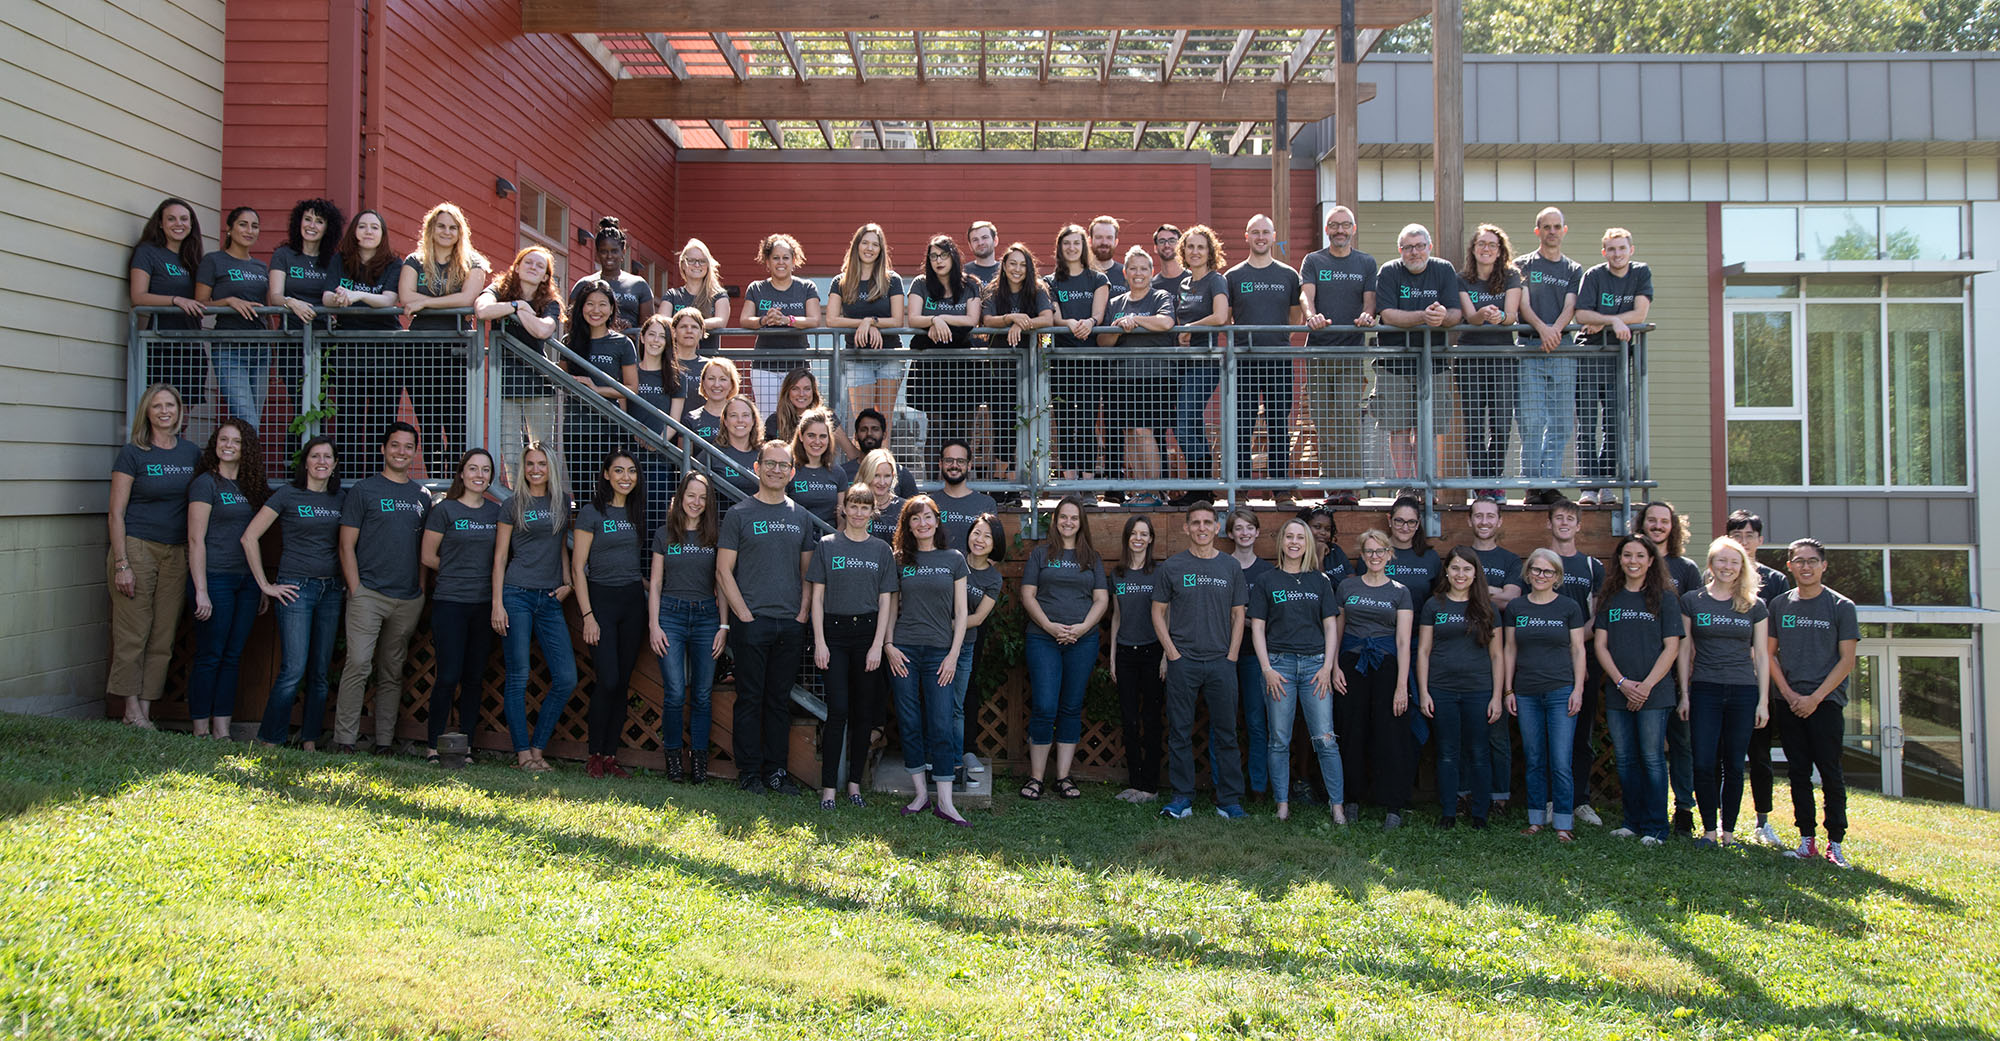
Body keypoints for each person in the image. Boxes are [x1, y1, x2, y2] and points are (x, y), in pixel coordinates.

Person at [716, 440, 817, 795]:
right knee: (750, 698)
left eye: (783, 465)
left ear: (792, 472)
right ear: (757, 468)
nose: (776, 470)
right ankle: (749, 773)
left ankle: (776, 771)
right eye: (769, 464)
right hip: (752, 622)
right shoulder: (738, 514)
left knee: (778, 700)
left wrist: (803, 612)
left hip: (790, 623)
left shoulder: (801, 517)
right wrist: (743, 614)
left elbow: (808, 573)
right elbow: (723, 570)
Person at [333, 422, 430, 753]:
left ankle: (384, 742)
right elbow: (346, 545)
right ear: (383, 449)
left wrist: (419, 589)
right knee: (358, 663)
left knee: (392, 671)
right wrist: (356, 589)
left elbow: (423, 551)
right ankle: (344, 740)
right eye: (395, 445)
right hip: (369, 594)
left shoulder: (422, 496)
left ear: (414, 453)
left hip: (407, 598)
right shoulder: (363, 491)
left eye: (407, 447)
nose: (401, 452)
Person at [108, 384, 200, 728]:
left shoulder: (190, 453)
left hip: (176, 552)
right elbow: (116, 512)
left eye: (171, 405)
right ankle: (129, 708)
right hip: (137, 546)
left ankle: (145, 710)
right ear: (147, 412)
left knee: (163, 634)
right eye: (157, 406)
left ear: (179, 410)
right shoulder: (133, 453)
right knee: (134, 631)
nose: (165, 411)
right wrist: (122, 563)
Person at [244, 435, 345, 749]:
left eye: (327, 457)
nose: (321, 462)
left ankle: (310, 740)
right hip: (295, 590)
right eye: (315, 456)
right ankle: (269, 739)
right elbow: (249, 537)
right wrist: (265, 584)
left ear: (335, 464)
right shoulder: (288, 495)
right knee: (293, 668)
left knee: (319, 671)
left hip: (331, 590)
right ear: (306, 462)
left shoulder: (340, 499)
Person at [1153, 500, 1250, 820]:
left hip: (1221, 661)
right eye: (1195, 523)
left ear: (1217, 527)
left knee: (1226, 731)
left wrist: (1232, 655)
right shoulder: (1172, 567)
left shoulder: (1230, 567)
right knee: (1179, 731)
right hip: (1184, 661)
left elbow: (1239, 616)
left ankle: (1229, 800)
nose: (1202, 528)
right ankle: (1182, 798)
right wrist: (1172, 654)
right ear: (1186, 528)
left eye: (1208, 522)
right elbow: (1158, 612)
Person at [1768, 537, 1861, 869]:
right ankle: (1806, 840)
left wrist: (1815, 698)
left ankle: (1835, 842)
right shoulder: (1779, 605)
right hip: (1789, 703)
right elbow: (1768, 655)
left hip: (1826, 703)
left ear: (1823, 566)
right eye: (1798, 561)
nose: (1805, 566)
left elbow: (1847, 660)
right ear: (1789, 566)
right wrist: (1791, 695)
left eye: (1812, 561)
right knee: (1797, 772)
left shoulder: (1840, 607)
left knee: (1831, 773)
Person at [807, 481, 898, 809]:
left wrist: (878, 645)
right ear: (843, 509)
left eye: (864, 507)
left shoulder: (881, 550)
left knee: (863, 714)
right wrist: (819, 641)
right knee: (839, 711)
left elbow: (886, 600)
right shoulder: (828, 545)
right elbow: (817, 598)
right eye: (853, 506)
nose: (858, 513)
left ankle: (855, 784)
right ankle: (829, 787)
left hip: (867, 637)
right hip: (834, 635)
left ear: (872, 511)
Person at [1676, 536, 1771, 847]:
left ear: (1742, 566)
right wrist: (1685, 694)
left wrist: (1763, 701)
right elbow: (1685, 648)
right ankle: (1708, 831)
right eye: (1722, 560)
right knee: (1703, 761)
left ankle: (1728, 832)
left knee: (1733, 763)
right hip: (1705, 689)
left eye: (1734, 561)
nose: (1728, 567)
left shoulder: (1754, 604)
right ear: (1711, 564)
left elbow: (1761, 654)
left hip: (1743, 691)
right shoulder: (1692, 600)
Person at [885, 495, 972, 825]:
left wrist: (953, 655)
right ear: (907, 526)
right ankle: (921, 794)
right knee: (909, 722)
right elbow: (892, 607)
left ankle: (946, 802)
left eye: (927, 518)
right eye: (915, 519)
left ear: (937, 521)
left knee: (941, 723)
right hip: (904, 651)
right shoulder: (900, 559)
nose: (922, 524)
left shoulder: (954, 559)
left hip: (940, 653)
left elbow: (962, 614)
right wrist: (889, 645)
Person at [1252, 518, 1344, 823]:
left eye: (1300, 538)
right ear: (1281, 542)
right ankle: (1282, 805)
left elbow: (1331, 626)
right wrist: (1266, 668)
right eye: (1289, 537)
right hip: (1279, 666)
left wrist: (1328, 667)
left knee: (1325, 738)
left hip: (1316, 666)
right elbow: (1258, 628)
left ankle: (1337, 807)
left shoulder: (1320, 581)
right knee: (1279, 738)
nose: (1294, 542)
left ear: (1307, 544)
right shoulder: (1268, 581)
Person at [1592, 535, 1683, 846]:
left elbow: (1671, 648)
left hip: (1654, 695)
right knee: (1626, 759)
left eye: (1640, 556)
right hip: (1620, 692)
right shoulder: (1611, 597)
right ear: (1619, 560)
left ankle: (1656, 827)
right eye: (1627, 555)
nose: (1633, 561)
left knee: (1652, 758)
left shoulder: (1665, 598)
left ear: (1650, 561)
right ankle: (1632, 821)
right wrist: (1621, 683)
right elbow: (1601, 646)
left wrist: (1645, 686)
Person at [491, 442, 576, 771]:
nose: (536, 469)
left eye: (542, 463)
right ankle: (523, 753)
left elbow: (561, 546)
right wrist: (497, 603)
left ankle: (539, 748)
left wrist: (567, 580)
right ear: (523, 468)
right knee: (518, 675)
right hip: (516, 595)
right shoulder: (512, 504)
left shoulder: (561, 503)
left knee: (566, 677)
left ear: (550, 467)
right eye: (530, 464)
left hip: (550, 600)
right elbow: (500, 558)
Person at [1018, 495, 1108, 800]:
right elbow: (1028, 595)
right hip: (1044, 638)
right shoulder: (1040, 555)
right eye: (1063, 517)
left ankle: (1064, 777)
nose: (1068, 522)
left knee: (1070, 706)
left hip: (1082, 640)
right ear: (1055, 521)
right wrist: (1049, 626)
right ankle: (1036, 778)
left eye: (1074, 518)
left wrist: (1082, 628)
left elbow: (1101, 600)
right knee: (1044, 705)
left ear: (1081, 522)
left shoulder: (1091, 558)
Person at [186, 419, 268, 739]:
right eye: (223, 439)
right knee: (210, 655)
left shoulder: (250, 486)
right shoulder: (206, 483)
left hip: (245, 582)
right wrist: (201, 591)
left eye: (236, 440)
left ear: (246, 448)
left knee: (233, 656)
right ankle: (200, 729)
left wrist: (260, 584)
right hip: (215, 579)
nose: (229, 445)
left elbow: (254, 539)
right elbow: (196, 540)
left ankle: (222, 730)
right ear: (215, 444)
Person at [570, 451, 647, 778]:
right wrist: (587, 615)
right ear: (606, 475)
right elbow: (577, 567)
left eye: (631, 471)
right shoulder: (591, 513)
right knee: (608, 679)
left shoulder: (635, 510)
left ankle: (612, 756)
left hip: (632, 601)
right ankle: (594, 755)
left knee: (623, 682)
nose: (625, 477)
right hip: (600, 600)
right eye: (618, 471)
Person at [1374, 223, 1470, 484]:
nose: (1414, 252)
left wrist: (1442, 316)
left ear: (1429, 247)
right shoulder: (1390, 271)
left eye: (1419, 246)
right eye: (1408, 247)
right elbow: (1388, 314)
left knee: (1428, 429)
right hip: (1394, 365)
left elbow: (1455, 314)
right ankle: (1406, 487)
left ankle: (1425, 483)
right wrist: (1425, 317)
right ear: (1400, 250)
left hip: (1434, 364)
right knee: (1399, 429)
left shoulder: (1443, 270)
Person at [419, 448, 499, 763]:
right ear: (462, 473)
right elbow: (427, 556)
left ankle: (465, 746)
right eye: (473, 469)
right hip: (450, 602)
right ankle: (432, 745)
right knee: (448, 675)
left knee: (474, 677)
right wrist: (457, 572)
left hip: (484, 605)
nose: (479, 475)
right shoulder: (445, 510)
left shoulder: (497, 512)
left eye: (485, 470)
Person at [1504, 547, 1588, 841]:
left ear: (1557, 577)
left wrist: (1578, 689)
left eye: (1547, 571)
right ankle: (1536, 819)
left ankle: (1564, 825)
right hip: (1526, 692)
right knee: (1535, 758)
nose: (1541, 576)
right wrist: (1508, 689)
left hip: (1561, 690)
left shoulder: (1568, 607)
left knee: (1561, 761)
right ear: (1527, 574)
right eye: (1536, 570)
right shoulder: (1516, 608)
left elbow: (1578, 650)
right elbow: (1509, 649)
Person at [647, 471, 726, 783]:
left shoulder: (715, 536)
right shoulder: (665, 533)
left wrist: (723, 626)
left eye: (702, 497)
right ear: (680, 498)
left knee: (703, 695)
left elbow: (722, 583)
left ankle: (699, 763)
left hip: (707, 617)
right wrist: (654, 625)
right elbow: (654, 584)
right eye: (690, 495)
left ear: (708, 503)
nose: (696, 502)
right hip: (671, 616)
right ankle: (674, 761)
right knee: (676, 693)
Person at [1333, 529, 1416, 827]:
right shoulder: (1347, 586)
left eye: (1380, 551)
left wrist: (1402, 686)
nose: (1375, 556)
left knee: (1390, 733)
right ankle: (1352, 798)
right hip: (1351, 664)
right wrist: (1334, 667)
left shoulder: (1400, 591)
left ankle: (1393, 803)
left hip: (1386, 665)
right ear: (1362, 555)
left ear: (1389, 554)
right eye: (1369, 551)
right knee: (1352, 730)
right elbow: (1338, 631)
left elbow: (1404, 641)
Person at [1417, 546, 1503, 828]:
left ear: (1475, 572)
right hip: (1441, 689)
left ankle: (1479, 812)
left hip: (1478, 690)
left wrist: (1497, 697)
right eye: (1455, 568)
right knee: (1446, 751)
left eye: (1467, 569)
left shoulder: (1487, 608)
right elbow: (1424, 651)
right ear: (1447, 571)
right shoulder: (1434, 605)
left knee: (1479, 752)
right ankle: (1449, 812)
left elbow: (1497, 655)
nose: (1460, 574)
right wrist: (1424, 691)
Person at [398, 202, 490, 468]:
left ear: (461, 232)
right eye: (441, 226)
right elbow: (406, 296)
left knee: (457, 425)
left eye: (453, 227)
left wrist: (424, 302)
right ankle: (437, 488)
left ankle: (457, 486)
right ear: (431, 229)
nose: (447, 232)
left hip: (457, 351)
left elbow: (468, 297)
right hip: (419, 351)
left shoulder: (473, 262)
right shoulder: (415, 261)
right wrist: (442, 302)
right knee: (429, 426)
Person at [1300, 206, 1377, 500]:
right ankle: (1331, 486)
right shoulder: (1314, 260)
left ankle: (1350, 487)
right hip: (1319, 352)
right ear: (1327, 229)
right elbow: (1306, 296)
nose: (1340, 230)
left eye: (1345, 225)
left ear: (1353, 229)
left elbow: (1370, 301)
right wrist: (1312, 316)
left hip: (1350, 352)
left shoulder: (1366, 262)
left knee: (1347, 418)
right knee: (1323, 420)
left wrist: (1368, 316)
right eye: (1334, 225)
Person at [1726, 509, 1792, 845]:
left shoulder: (1776, 580)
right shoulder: (1719, 577)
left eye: (1749, 536)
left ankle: (1762, 821)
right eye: (1736, 536)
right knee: (1726, 755)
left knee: (1760, 755)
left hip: (1761, 678)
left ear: (1760, 540)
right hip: (1725, 676)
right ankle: (1723, 821)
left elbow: (1778, 630)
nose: (1743, 542)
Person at [1571, 228, 1651, 504]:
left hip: (1619, 358)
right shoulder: (1594, 275)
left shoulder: (1640, 273)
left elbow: (1641, 313)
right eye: (1611, 249)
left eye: (1622, 248)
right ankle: (1589, 488)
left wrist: (1608, 320)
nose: (1617, 254)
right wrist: (1616, 321)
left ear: (1631, 250)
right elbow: (1581, 313)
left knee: (1615, 423)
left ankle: (1606, 483)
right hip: (1589, 354)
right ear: (1604, 252)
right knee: (1587, 423)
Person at [1226, 214, 1304, 494]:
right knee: (1242, 425)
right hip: (1244, 362)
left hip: (1279, 359)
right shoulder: (1233, 276)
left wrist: (1276, 340)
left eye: (1266, 232)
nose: (1260, 237)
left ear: (1274, 236)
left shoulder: (1288, 275)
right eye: (1255, 232)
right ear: (1246, 236)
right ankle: (1242, 488)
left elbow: (1295, 317)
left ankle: (1280, 488)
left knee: (1278, 425)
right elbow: (1228, 317)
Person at [1640, 499, 1703, 835]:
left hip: (1676, 666)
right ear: (1643, 524)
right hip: (1639, 666)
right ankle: (1647, 809)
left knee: (1681, 743)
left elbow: (1691, 623)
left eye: (1664, 521)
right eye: (1652, 520)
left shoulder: (1685, 568)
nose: (1658, 526)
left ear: (1673, 527)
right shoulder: (1634, 564)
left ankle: (1683, 808)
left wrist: (1689, 663)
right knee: (1645, 749)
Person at [1544, 496, 1607, 826]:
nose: (1564, 523)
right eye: (1558, 518)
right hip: (1545, 660)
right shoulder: (1540, 563)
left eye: (1570, 518)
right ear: (1550, 523)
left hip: (1582, 658)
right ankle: (1552, 800)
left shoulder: (1592, 566)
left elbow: (1597, 616)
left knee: (1581, 733)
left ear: (1579, 525)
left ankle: (1580, 801)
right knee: (1547, 735)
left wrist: (1571, 639)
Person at [1097, 245, 1176, 505]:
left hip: (1154, 377)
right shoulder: (1115, 303)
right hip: (1120, 379)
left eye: (1144, 268)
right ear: (1125, 272)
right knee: (1129, 433)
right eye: (1133, 268)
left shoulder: (1160, 296)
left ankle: (1152, 491)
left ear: (1151, 272)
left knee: (1146, 432)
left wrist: (1136, 320)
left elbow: (1166, 323)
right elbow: (1104, 342)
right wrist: (1120, 326)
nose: (1138, 273)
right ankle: (1138, 490)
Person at [475, 246, 566, 471]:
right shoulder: (500, 290)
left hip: (538, 384)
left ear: (546, 276)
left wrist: (518, 312)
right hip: (504, 384)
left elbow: (544, 330)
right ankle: (517, 501)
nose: (533, 267)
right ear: (516, 267)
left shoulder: (550, 303)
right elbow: (482, 310)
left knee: (543, 452)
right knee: (512, 453)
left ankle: (543, 501)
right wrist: (517, 304)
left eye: (539, 265)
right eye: (528, 262)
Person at [324, 209, 402, 466]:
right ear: (354, 233)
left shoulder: (393, 263)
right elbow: (326, 297)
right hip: (349, 351)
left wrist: (356, 296)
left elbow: (389, 299)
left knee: (382, 421)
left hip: (386, 354)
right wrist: (337, 298)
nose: (368, 231)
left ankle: (380, 476)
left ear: (382, 234)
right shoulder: (340, 260)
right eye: (363, 227)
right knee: (349, 420)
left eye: (374, 227)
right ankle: (350, 478)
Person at [1515, 208, 1583, 498]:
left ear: (1564, 230)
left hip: (1563, 349)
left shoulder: (1573, 269)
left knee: (1561, 422)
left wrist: (1555, 331)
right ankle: (1532, 484)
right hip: (1530, 346)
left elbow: (1571, 306)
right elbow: (1523, 304)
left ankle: (1550, 484)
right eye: (1546, 227)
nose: (1552, 231)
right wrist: (1543, 329)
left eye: (1557, 227)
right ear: (1537, 231)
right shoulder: (1523, 265)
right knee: (1531, 421)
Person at [1461, 496, 1523, 810]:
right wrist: (1493, 593)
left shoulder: (1511, 560)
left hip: (1497, 654)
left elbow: (1512, 599)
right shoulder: (1460, 556)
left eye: (1490, 516)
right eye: (1478, 516)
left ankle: (1499, 796)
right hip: (1460, 653)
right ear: (1470, 521)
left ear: (1499, 522)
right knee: (1463, 733)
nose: (1484, 522)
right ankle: (1464, 793)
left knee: (1496, 733)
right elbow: (1452, 594)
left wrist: (1473, 589)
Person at [973, 242, 1051, 479]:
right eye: (1012, 263)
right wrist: (1010, 317)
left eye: (1022, 265)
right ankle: (1000, 481)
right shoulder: (993, 291)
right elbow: (987, 320)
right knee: (1002, 425)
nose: (1017, 269)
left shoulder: (1038, 290)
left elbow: (1047, 319)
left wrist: (1020, 322)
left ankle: (1024, 480)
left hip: (1029, 371)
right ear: (1004, 266)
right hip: (1000, 372)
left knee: (1027, 423)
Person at [1457, 224, 1523, 498]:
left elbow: (1512, 316)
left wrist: (1500, 318)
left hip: (1502, 359)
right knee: (1473, 423)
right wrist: (1483, 314)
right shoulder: (1462, 279)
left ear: (1500, 251)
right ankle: (1479, 483)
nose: (1486, 249)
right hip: (1470, 357)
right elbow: (1469, 317)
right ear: (1473, 249)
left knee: (1500, 421)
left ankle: (1494, 480)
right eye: (1481, 244)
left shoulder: (1511, 276)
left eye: (1492, 245)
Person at [906, 234, 984, 461]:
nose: (938, 261)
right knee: (936, 429)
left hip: (964, 367)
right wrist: (933, 321)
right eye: (933, 256)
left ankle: (963, 484)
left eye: (943, 255)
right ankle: (934, 485)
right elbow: (913, 318)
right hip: (932, 367)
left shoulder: (971, 284)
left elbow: (971, 320)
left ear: (954, 257)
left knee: (964, 429)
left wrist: (938, 317)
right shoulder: (920, 284)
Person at [195, 206, 272, 426]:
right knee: (246, 418)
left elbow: (267, 309)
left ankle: (248, 460)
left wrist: (273, 345)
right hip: (230, 348)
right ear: (229, 229)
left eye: (254, 226)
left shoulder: (260, 266)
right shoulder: (214, 261)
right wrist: (228, 301)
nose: (249, 230)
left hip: (261, 348)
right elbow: (200, 303)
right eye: (243, 224)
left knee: (254, 418)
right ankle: (252, 461)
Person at [1045, 223, 1109, 481]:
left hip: (1090, 362)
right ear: (1060, 248)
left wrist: (1089, 323)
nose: (1072, 248)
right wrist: (1067, 323)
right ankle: (1069, 482)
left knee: (1086, 423)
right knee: (1064, 422)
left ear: (1085, 247)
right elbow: (1054, 316)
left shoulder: (1097, 279)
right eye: (1067, 243)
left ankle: (1088, 482)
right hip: (1061, 362)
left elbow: (1098, 315)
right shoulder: (1050, 281)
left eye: (1077, 243)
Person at [825, 222, 905, 428]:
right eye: (865, 243)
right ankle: (865, 462)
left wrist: (871, 322)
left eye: (875, 245)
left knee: (883, 422)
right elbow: (831, 319)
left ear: (881, 250)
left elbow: (898, 320)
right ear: (856, 246)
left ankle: (884, 461)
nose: (869, 248)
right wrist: (864, 324)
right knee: (864, 423)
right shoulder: (841, 281)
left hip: (889, 356)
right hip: (857, 357)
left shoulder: (892, 280)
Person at [1108, 515, 1164, 803]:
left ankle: (1150, 786)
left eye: (1144, 534)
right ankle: (1134, 782)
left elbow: (1167, 616)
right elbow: (1117, 616)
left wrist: (1166, 656)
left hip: (1154, 650)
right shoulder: (1117, 574)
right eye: (1134, 533)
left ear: (1151, 538)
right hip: (1127, 652)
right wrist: (1113, 658)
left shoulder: (1159, 573)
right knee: (1129, 720)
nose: (1139, 538)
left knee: (1152, 718)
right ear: (1127, 538)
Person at [129, 197, 209, 398]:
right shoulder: (147, 252)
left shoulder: (194, 257)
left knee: (184, 412)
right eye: (171, 219)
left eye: (184, 219)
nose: (178, 224)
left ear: (191, 224)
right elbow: (138, 297)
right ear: (161, 224)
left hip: (191, 345)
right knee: (162, 407)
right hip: (160, 345)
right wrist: (175, 300)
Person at [1172, 225, 1230, 492]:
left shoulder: (1215, 280)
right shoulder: (1185, 282)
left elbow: (1220, 317)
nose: (1195, 252)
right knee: (1191, 423)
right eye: (1190, 246)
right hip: (1184, 363)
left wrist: (1190, 328)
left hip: (1205, 364)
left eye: (1201, 247)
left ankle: (1202, 484)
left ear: (1210, 252)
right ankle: (1200, 488)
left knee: (1183, 423)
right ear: (1183, 250)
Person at [564, 278, 640, 478]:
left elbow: (632, 388)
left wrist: (597, 390)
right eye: (589, 304)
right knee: (581, 491)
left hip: (608, 428)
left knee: (607, 487)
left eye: (602, 304)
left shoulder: (622, 343)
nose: (595, 310)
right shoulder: (569, 341)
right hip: (576, 429)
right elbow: (562, 379)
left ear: (612, 308)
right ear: (581, 308)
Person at [740, 233, 821, 409]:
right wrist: (764, 320)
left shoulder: (806, 287)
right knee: (768, 417)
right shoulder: (756, 288)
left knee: (799, 416)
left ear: (794, 261)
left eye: (786, 257)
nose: (781, 262)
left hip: (798, 365)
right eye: (775, 258)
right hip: (764, 365)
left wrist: (787, 320)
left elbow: (814, 320)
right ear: (767, 262)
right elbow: (745, 320)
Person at [1226, 508, 1275, 799]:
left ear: (1257, 532)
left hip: (1257, 656)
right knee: (1225, 721)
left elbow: (1269, 617)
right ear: (1230, 533)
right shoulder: (1222, 566)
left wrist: (1242, 618)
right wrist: (1246, 618)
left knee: (1257, 722)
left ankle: (1258, 785)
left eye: (1249, 528)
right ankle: (1226, 785)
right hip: (1224, 653)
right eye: (1238, 528)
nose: (1244, 533)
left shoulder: (1267, 572)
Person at [957, 514, 1007, 781]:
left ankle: (966, 749)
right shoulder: (953, 560)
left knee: (967, 691)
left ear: (994, 543)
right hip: (937, 637)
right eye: (977, 533)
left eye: (987, 536)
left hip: (969, 638)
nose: (980, 540)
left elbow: (977, 619)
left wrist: (949, 625)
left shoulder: (993, 577)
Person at [629, 311, 687, 539]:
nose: (655, 341)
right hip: (631, 451)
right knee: (631, 514)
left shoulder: (676, 375)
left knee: (656, 515)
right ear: (642, 338)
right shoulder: (631, 371)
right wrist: (634, 432)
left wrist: (659, 439)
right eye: (651, 335)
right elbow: (622, 408)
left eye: (661, 336)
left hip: (661, 454)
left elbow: (675, 418)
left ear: (667, 342)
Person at [268, 197, 343, 331]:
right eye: (307, 219)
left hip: (323, 336)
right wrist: (292, 302)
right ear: (299, 222)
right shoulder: (283, 255)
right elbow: (275, 297)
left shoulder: (334, 260)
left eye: (319, 222)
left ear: (328, 228)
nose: (311, 226)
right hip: (290, 334)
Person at [570, 216, 654, 332]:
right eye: (604, 251)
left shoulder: (639, 285)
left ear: (623, 251)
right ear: (597, 253)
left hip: (628, 347)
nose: (609, 256)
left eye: (614, 251)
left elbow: (648, 328)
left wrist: (628, 331)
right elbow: (571, 323)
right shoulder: (585, 285)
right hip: (591, 347)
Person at [660, 239, 729, 357]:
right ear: (682, 264)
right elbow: (662, 321)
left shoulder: (718, 295)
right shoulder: (672, 295)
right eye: (691, 261)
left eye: (702, 261)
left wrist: (687, 324)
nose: (697, 265)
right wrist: (696, 325)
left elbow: (721, 321)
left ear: (708, 265)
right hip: (677, 360)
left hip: (708, 360)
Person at [934, 439, 997, 552]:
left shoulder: (986, 504)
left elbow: (993, 549)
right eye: (949, 460)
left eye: (961, 461)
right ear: (940, 463)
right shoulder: (930, 503)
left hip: (973, 569)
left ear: (969, 465)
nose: (954, 465)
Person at [836, 409, 918, 496]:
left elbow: (913, 508)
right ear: (856, 436)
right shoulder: (843, 473)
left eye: (875, 429)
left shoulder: (901, 474)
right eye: (864, 430)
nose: (869, 433)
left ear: (884, 435)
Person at [788, 407, 845, 528]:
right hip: (798, 539)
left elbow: (842, 518)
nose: (817, 441)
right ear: (801, 436)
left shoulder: (838, 473)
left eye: (823, 436)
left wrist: (833, 543)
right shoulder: (788, 470)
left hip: (828, 540)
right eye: (811, 435)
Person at [1385, 494, 1443, 594]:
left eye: (1411, 522)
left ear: (1418, 523)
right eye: (1399, 521)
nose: (1405, 528)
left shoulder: (1430, 557)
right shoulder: (1375, 553)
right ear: (1389, 519)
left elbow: (1439, 596)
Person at [713, 395, 764, 501]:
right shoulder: (713, 453)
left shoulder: (765, 453)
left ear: (753, 420)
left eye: (745, 415)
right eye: (733, 415)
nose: (740, 420)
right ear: (725, 421)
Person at [681, 357, 736, 451]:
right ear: (703, 383)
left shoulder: (742, 418)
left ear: (731, 384)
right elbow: (684, 461)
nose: (716, 384)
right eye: (711, 378)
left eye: (723, 379)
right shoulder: (691, 420)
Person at [763, 367, 826, 445]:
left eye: (807, 389)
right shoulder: (774, 421)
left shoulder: (824, 418)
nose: (801, 394)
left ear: (813, 392)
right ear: (787, 392)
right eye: (795, 389)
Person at [859, 447, 905, 544]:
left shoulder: (904, 507)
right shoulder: (855, 505)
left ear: (893, 476)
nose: (882, 482)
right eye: (876, 475)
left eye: (887, 476)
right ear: (866, 474)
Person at [1088, 215, 1127, 293]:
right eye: (1099, 237)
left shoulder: (1127, 275)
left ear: (1116, 242)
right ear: (1090, 241)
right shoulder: (1079, 273)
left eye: (1109, 238)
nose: (1104, 242)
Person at [964, 220, 1001, 284]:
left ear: (995, 240)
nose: (980, 243)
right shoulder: (963, 273)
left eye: (984, 237)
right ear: (970, 245)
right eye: (975, 240)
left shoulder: (1006, 272)